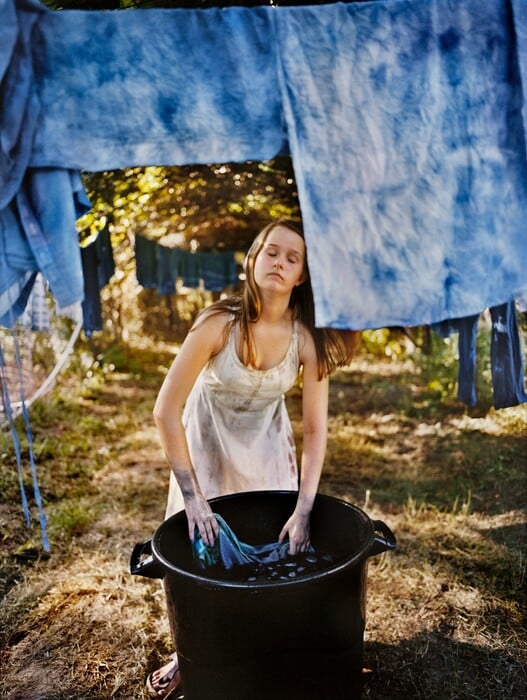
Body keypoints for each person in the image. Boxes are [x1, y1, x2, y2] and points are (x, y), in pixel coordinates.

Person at [146, 219, 357, 698]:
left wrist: (305, 508)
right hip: (208, 440)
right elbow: (165, 411)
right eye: (271, 252)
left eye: (292, 258)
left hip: (266, 442)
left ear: (301, 275)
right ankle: (190, 653)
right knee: (200, 551)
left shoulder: (307, 340)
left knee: (271, 548)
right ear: (252, 260)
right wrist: (192, 494)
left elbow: (317, 428)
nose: (279, 263)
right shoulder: (218, 323)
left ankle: (266, 646)